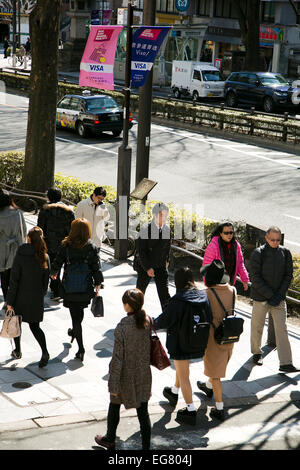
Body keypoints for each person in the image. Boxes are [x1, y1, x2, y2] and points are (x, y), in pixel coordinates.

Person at [94, 288, 151, 450]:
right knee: (143, 411)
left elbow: (117, 358)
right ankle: (146, 447)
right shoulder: (147, 321)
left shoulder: (122, 327)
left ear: (127, 306)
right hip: (143, 373)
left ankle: (109, 438)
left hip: (125, 375)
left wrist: (113, 382)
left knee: (115, 403)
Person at [154, 267, 212, 426]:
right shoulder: (203, 296)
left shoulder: (177, 301)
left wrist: (150, 321)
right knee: (182, 370)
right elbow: (210, 317)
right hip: (199, 342)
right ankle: (173, 392)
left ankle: (190, 410)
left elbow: (162, 321)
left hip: (180, 344)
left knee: (184, 376)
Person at [50, 218, 103, 361]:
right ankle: (74, 331)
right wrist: (98, 282)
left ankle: (81, 348)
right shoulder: (91, 247)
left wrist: (53, 273)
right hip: (85, 287)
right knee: (79, 314)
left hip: (70, 288)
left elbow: (57, 262)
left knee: (75, 318)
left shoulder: (66, 245)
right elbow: (95, 267)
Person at [249, 226, 297, 372]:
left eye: (278, 240)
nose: (275, 242)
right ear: (266, 238)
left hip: (278, 299)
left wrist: (279, 295)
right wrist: (271, 295)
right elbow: (255, 278)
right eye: (272, 240)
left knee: (282, 329)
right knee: (257, 327)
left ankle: (286, 362)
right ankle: (256, 353)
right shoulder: (258, 253)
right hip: (261, 298)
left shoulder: (285, 253)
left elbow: (288, 275)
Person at [197, 259, 236, 421]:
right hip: (229, 336)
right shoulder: (233, 290)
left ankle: (219, 407)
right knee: (217, 368)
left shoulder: (206, 294)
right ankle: (207, 386)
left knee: (216, 376)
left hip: (213, 339)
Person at [6, 227, 50, 367]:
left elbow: (14, 280)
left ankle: (17, 351)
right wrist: (40, 295)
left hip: (20, 296)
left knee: (16, 323)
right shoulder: (44, 256)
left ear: (28, 238)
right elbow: (45, 282)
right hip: (36, 297)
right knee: (35, 327)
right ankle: (45, 352)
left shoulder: (21, 254)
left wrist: (10, 301)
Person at [37, 187, 75, 300]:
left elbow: (40, 228)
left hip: (49, 244)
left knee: (53, 265)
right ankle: (62, 288)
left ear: (48, 197)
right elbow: (72, 228)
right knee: (65, 266)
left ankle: (56, 289)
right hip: (65, 243)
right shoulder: (69, 211)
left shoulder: (45, 210)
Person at [134, 203, 171, 309]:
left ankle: (168, 318)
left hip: (161, 266)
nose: (164, 218)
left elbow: (168, 246)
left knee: (165, 294)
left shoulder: (167, 229)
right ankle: (135, 316)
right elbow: (141, 251)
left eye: (165, 215)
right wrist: (147, 268)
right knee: (139, 293)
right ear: (154, 215)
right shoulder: (145, 229)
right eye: (161, 215)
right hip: (145, 266)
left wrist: (167, 260)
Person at [202, 222, 249, 291]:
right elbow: (207, 266)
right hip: (215, 285)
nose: (229, 235)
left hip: (229, 284)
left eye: (231, 232)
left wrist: (245, 279)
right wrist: (208, 284)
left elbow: (240, 263)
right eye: (226, 233)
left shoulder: (236, 245)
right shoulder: (213, 246)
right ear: (220, 233)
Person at [0, 190, 27, 307]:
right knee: (15, 275)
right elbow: (24, 230)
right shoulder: (18, 213)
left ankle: (7, 300)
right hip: (17, 247)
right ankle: (15, 299)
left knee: (4, 276)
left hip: (2, 248)